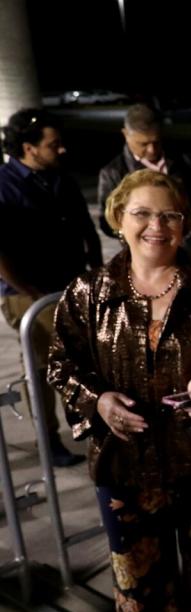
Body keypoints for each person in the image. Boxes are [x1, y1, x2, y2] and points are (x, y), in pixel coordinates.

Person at [47, 169, 191, 612]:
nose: (156, 225)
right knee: (140, 597)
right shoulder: (89, 294)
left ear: (184, 224)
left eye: (169, 215)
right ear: (118, 219)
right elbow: (60, 366)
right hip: (125, 466)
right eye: (142, 213)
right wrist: (97, 400)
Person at [0, 107, 102, 467]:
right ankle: (49, 440)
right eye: (52, 144)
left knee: (77, 360)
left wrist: (94, 266)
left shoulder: (60, 178)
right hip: (29, 295)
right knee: (45, 368)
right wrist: (24, 288)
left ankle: (84, 427)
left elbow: (83, 228)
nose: (61, 150)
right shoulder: (4, 184)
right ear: (29, 148)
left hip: (69, 287)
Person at [97, 103, 191, 235]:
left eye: (156, 142)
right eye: (143, 144)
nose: (151, 150)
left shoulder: (186, 161)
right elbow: (106, 221)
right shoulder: (112, 173)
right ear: (125, 134)